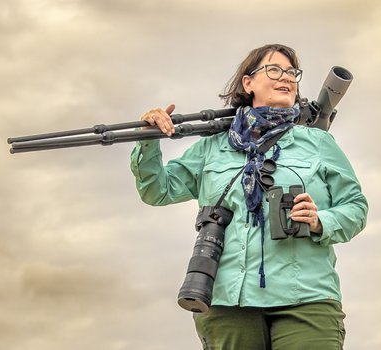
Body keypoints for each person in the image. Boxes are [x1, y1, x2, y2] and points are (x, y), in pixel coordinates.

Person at [130, 44, 368, 349]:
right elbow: (157, 190)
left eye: (292, 72)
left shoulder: (319, 143)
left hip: (306, 298)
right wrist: (147, 138)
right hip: (228, 301)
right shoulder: (212, 147)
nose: (286, 78)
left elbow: (356, 207)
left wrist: (321, 220)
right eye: (274, 69)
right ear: (248, 82)